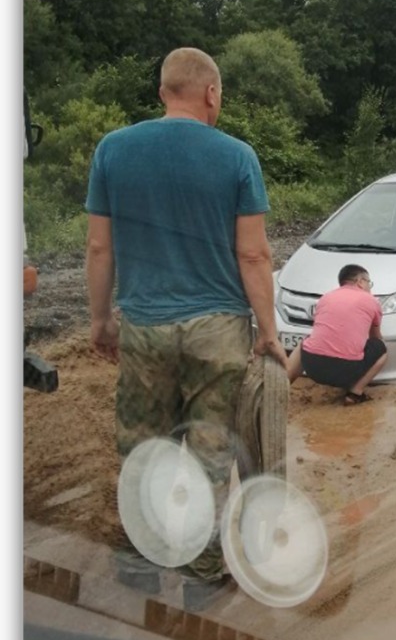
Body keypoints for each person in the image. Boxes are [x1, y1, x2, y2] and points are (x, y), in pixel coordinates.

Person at [85, 46, 288, 608]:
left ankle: (141, 566)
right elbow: (253, 257)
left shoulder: (114, 150)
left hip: (145, 327)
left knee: (143, 449)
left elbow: (100, 246)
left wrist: (101, 319)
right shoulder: (237, 157)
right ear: (211, 94)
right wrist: (268, 331)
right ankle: (200, 577)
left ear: (163, 93)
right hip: (218, 331)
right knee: (207, 453)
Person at [286, 265, 387, 404]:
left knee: (306, 342)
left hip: (312, 367)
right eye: (369, 283)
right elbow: (375, 337)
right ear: (360, 281)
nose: (370, 287)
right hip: (346, 371)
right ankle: (355, 393)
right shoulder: (371, 301)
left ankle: (283, 384)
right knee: (381, 348)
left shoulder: (325, 297)